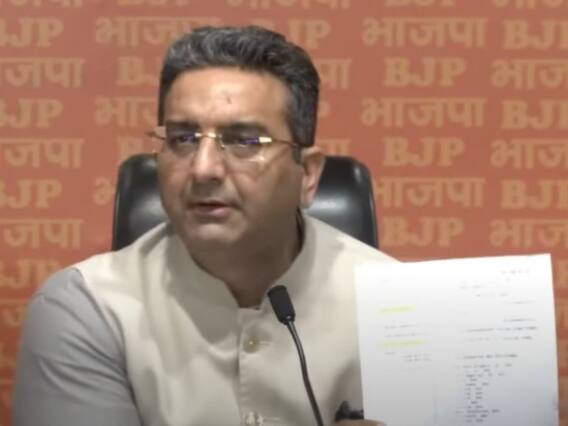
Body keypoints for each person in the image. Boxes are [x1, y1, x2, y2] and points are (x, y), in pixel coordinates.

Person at [12, 25, 394, 426]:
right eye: (183, 138)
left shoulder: (397, 308)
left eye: (245, 141)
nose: (203, 168)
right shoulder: (87, 307)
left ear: (308, 175)